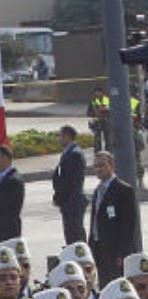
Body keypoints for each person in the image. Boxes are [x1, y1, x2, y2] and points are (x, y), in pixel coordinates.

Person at [89, 151, 142, 286]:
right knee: (105, 287)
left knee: (120, 287)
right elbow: (94, 222)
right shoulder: (98, 191)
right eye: (95, 166)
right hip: (100, 249)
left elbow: (128, 225)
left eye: (102, 165)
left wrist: (122, 253)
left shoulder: (123, 190)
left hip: (116, 253)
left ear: (111, 166)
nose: (98, 169)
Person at [52, 125, 87, 244]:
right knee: (70, 232)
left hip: (72, 200)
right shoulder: (68, 152)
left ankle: (80, 256)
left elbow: (70, 181)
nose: (59, 139)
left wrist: (60, 196)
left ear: (67, 136)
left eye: (60, 136)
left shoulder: (74, 154)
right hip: (68, 201)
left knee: (75, 233)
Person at [87, 87, 111, 153]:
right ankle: (97, 151)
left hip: (105, 121)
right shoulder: (93, 100)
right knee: (97, 138)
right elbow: (89, 111)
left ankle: (108, 151)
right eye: (96, 92)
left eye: (99, 92)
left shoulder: (106, 99)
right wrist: (91, 118)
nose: (97, 93)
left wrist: (105, 111)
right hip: (96, 121)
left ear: (102, 92)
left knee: (107, 137)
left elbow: (108, 109)